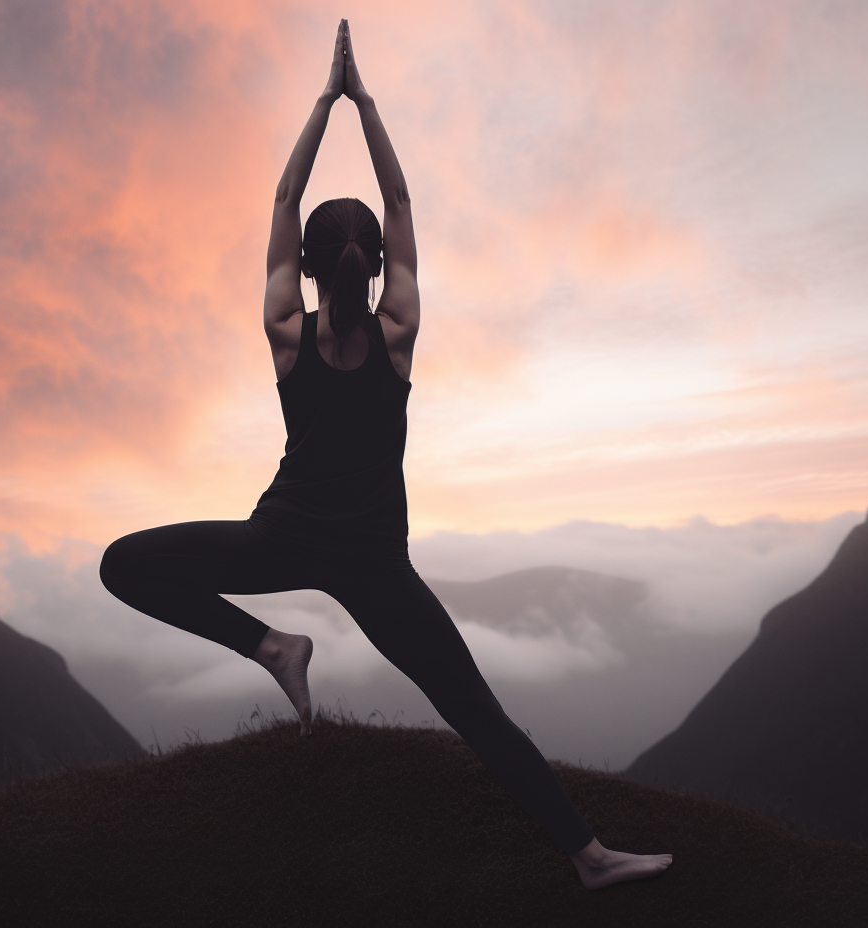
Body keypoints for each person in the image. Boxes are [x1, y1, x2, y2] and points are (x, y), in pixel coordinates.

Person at [100, 19, 672, 891]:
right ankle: (588, 858)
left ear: (307, 267)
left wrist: (322, 104)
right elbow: (400, 207)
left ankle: (267, 645)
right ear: (369, 271)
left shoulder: (284, 334)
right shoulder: (398, 336)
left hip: (281, 537)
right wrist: (364, 103)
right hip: (373, 562)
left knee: (125, 566)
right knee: (476, 713)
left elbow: (283, 204)